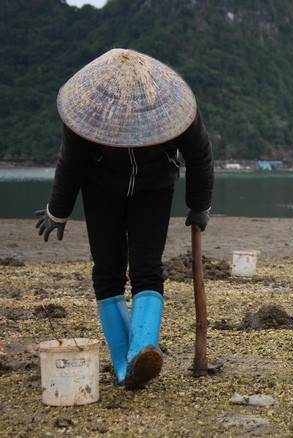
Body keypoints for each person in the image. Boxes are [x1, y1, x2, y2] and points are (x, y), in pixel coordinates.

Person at [35, 48, 214, 389]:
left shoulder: (175, 107)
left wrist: (199, 205)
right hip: (101, 185)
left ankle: (141, 349)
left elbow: (200, 155)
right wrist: (57, 211)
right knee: (107, 270)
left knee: (147, 266)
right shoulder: (87, 109)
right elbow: (70, 162)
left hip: (154, 185)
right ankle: (124, 365)